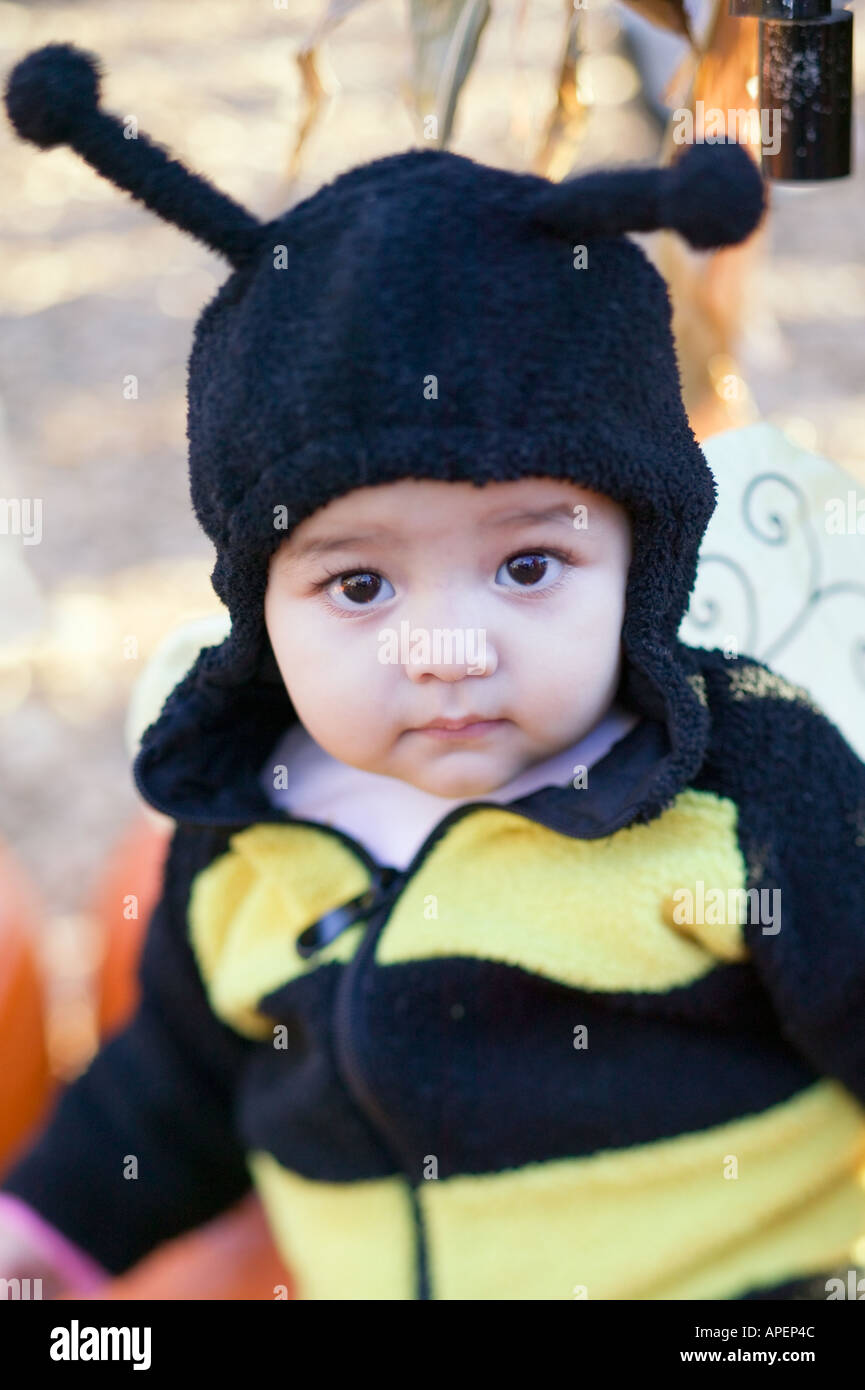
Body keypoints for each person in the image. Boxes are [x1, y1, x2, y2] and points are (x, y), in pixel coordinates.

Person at [1, 40, 864, 1302]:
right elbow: (178, 1077)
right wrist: (49, 1232)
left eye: (526, 568)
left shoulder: (747, 794)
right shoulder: (244, 826)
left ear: (643, 555)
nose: (449, 649)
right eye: (359, 585)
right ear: (258, 609)